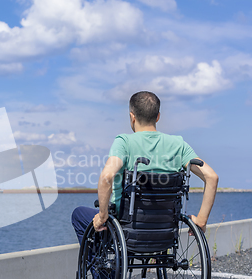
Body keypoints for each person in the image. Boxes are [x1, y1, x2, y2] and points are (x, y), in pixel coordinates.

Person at [72, 91, 218, 246]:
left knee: (78, 215)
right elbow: (212, 177)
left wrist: (102, 216)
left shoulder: (124, 142)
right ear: (158, 117)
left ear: (132, 117)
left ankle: (99, 270)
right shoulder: (178, 144)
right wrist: (201, 220)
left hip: (126, 226)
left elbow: (107, 177)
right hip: (165, 228)